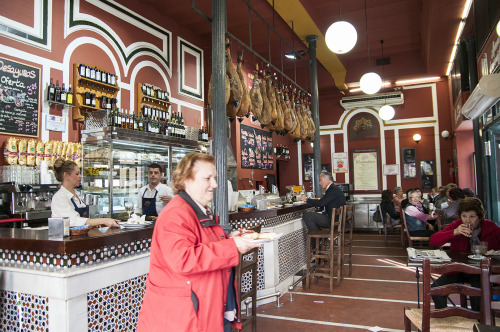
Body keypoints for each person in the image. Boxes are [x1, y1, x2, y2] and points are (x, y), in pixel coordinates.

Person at [137, 152, 260, 332]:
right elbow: (184, 258)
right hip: (185, 316)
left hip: (207, 308)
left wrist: (231, 239)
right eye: (208, 178)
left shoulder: (195, 209)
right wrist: (232, 246)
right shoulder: (176, 213)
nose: (215, 184)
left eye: (215, 178)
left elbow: (202, 243)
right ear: (187, 180)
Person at [430, 197, 500, 311]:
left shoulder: (490, 227)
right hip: (459, 269)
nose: (467, 220)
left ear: (480, 216)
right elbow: (434, 240)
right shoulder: (457, 225)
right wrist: (454, 232)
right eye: (464, 216)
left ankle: (477, 321)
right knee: (436, 289)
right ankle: (444, 318)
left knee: (477, 293)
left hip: (481, 271)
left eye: (472, 216)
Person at [51, 158, 119, 227]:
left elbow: (84, 220)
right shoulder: (60, 197)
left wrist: (94, 224)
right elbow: (73, 221)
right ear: (66, 175)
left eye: (80, 173)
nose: (80, 176)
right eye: (77, 174)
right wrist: (103, 220)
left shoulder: (77, 194)